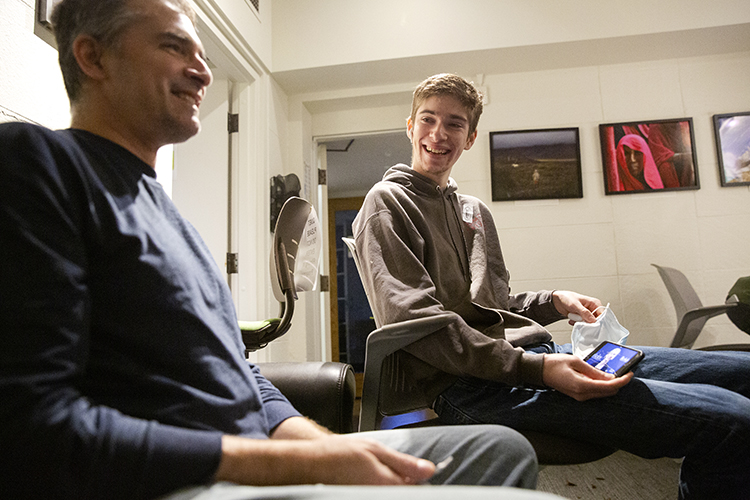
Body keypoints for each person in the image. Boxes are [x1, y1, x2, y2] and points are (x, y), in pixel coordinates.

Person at [0, 5, 547, 500]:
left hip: (257, 453)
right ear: (92, 56)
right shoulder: (34, 165)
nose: (203, 71)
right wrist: (279, 462)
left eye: (203, 54)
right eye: (174, 47)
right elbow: (32, 426)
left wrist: (319, 444)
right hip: (188, 476)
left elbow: (236, 365)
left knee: (501, 450)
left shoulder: (168, 217)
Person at [352, 73, 750, 500]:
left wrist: (554, 302)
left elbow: (494, 303)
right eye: (428, 120)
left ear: (469, 138)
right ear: (410, 126)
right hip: (471, 386)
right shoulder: (386, 203)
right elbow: (419, 323)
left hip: (534, 357)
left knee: (742, 373)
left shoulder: (473, 210)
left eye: (454, 123)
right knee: (735, 422)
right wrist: (537, 371)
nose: (438, 133)